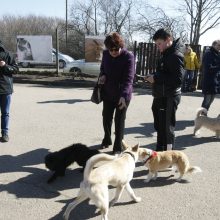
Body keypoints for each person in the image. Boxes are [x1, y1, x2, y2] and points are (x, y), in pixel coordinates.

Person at [145, 28, 184, 151]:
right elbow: (164, 73)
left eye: (159, 44)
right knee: (159, 125)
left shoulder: (175, 56)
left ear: (168, 40)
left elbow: (178, 79)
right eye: (156, 44)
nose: (158, 47)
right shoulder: (165, 54)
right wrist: (153, 75)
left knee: (167, 128)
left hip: (170, 96)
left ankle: (168, 155)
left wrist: (156, 77)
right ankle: (160, 150)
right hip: (161, 95)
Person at [98, 32, 135, 154]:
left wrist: (124, 96)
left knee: (119, 121)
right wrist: (103, 76)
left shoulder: (128, 56)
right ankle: (107, 138)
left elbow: (129, 79)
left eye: (116, 49)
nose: (113, 52)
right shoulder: (105, 54)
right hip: (108, 92)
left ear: (121, 46)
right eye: (111, 49)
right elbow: (103, 68)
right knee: (106, 118)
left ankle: (118, 147)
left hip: (123, 94)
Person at [0, 40, 19, 142]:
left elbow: (16, 69)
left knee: (5, 113)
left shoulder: (8, 54)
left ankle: (5, 133)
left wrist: (5, 65)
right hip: (6, 89)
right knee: (5, 113)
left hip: (5, 89)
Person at [201, 40, 220, 112]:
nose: (219, 47)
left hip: (216, 82)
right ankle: (202, 116)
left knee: (211, 101)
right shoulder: (208, 54)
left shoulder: (218, 54)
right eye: (218, 45)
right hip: (209, 81)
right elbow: (208, 68)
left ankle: (204, 114)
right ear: (213, 45)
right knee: (206, 101)